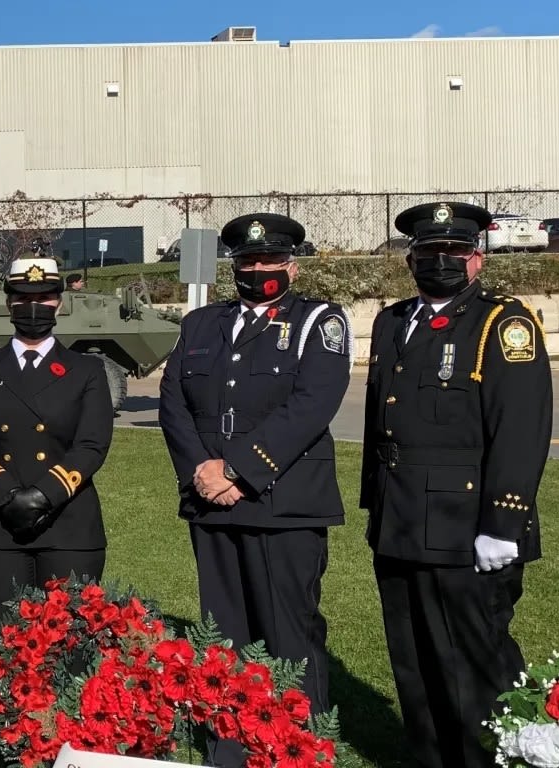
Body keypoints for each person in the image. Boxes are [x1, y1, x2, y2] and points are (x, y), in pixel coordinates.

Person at [365, 201, 549, 768]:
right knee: (415, 662)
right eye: (427, 252)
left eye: (453, 251)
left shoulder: (502, 322)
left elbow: (520, 427)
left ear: (477, 259)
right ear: (411, 257)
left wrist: (502, 523)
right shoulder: (394, 321)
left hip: (466, 529)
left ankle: (494, 759)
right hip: (400, 522)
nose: (439, 261)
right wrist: (378, 507)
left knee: (473, 666)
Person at [157, 212, 350, 745]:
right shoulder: (200, 325)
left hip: (283, 503)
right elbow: (173, 401)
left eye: (269, 259)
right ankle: (230, 746)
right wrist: (201, 470)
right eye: (247, 260)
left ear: (291, 265)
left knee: (290, 631)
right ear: (234, 265)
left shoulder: (318, 322)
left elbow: (313, 404)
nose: (257, 268)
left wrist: (240, 470)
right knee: (223, 634)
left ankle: (298, 745)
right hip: (211, 501)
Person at [0, 252, 114, 621]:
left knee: (69, 640)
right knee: (7, 642)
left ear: (59, 302)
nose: (33, 306)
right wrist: (6, 495)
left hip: (68, 522)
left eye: (43, 298)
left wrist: (43, 495)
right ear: (8, 303)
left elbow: (92, 443)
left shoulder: (86, 370)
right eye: (23, 298)